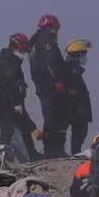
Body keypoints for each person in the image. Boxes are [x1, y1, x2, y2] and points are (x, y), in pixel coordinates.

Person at [0, 33, 42, 161]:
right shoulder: (6, 65)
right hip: (4, 109)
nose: (22, 53)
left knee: (21, 128)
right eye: (21, 50)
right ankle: (4, 162)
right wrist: (16, 102)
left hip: (11, 107)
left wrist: (32, 127)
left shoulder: (14, 65)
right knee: (8, 134)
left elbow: (19, 106)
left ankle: (31, 155)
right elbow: (9, 87)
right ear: (13, 48)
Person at [28, 14, 66, 159]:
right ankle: (53, 150)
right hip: (50, 85)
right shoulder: (45, 41)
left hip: (42, 85)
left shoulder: (35, 42)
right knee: (54, 117)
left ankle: (53, 149)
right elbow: (50, 61)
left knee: (50, 116)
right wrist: (57, 80)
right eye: (56, 29)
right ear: (50, 27)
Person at [56, 39, 93, 155]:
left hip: (76, 107)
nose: (85, 57)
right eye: (84, 53)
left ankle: (75, 153)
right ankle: (72, 153)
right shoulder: (68, 68)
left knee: (81, 131)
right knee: (78, 130)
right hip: (73, 107)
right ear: (79, 54)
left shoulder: (74, 69)